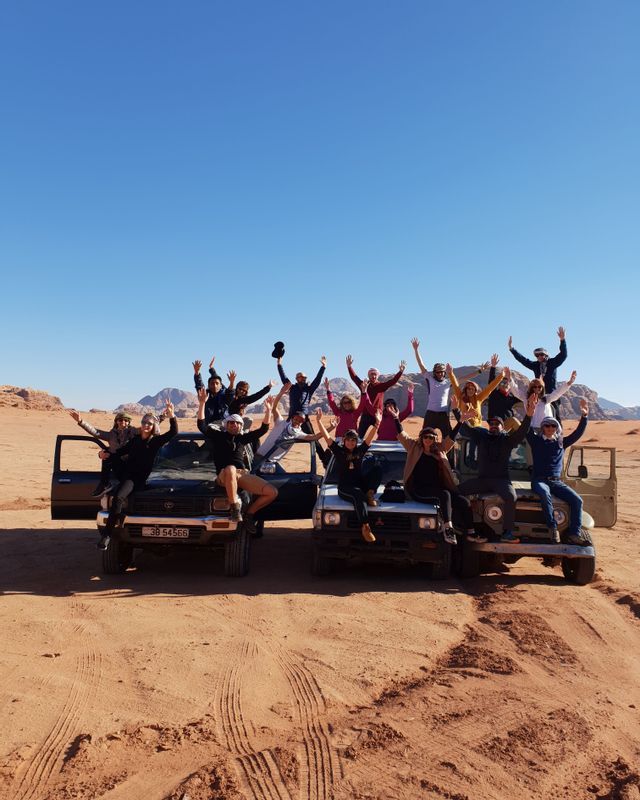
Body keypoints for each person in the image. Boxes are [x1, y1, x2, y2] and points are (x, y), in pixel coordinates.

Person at [97, 401, 178, 550]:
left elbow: (173, 433)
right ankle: (104, 484)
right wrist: (102, 454)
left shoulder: (155, 442)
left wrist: (172, 415)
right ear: (141, 424)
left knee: (118, 497)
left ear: (153, 426)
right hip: (126, 472)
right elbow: (119, 453)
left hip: (136, 478)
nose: (146, 425)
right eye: (144, 422)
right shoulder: (134, 440)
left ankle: (107, 535)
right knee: (109, 457)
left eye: (149, 423)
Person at [388, 405, 475, 544]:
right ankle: (448, 529)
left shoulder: (440, 449)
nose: (428, 439)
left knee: (464, 502)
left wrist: (461, 421)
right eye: (426, 437)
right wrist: (396, 418)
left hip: (437, 488)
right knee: (445, 495)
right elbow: (402, 435)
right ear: (421, 438)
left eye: (431, 437)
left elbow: (451, 437)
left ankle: (471, 532)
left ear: (435, 439)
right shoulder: (413, 447)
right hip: (419, 490)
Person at [457, 395, 536, 543]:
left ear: (502, 426)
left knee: (511, 497)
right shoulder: (481, 437)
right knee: (456, 492)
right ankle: (465, 528)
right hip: (483, 481)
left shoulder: (507, 440)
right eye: (491, 423)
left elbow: (521, 432)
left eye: (497, 424)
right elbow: (465, 428)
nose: (493, 425)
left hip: (501, 481)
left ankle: (507, 533)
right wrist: (456, 411)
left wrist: (529, 416)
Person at [197, 388, 277, 532]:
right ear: (226, 425)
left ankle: (249, 515)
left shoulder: (242, 439)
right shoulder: (218, 436)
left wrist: (268, 411)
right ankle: (235, 508)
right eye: (231, 423)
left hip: (242, 475)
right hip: (224, 475)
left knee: (272, 492)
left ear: (241, 426)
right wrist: (202, 403)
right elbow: (201, 425)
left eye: (237, 423)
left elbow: (263, 430)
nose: (234, 425)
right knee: (231, 469)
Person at [314, 408, 383, 543]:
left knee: (377, 468)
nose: (351, 443)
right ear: (344, 441)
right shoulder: (339, 452)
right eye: (348, 440)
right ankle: (365, 526)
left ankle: (370, 493)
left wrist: (377, 424)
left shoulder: (360, 450)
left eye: (353, 440)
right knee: (358, 495)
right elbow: (326, 437)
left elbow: (369, 438)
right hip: (345, 488)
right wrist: (318, 421)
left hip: (360, 484)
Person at [527, 398, 589, 545]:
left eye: (552, 426)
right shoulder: (536, 441)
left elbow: (577, 433)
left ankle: (574, 534)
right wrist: (529, 413)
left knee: (577, 501)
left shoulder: (561, 442)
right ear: (542, 428)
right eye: (546, 426)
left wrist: (584, 416)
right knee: (544, 493)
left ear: (556, 428)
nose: (549, 428)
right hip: (540, 480)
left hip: (556, 482)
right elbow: (526, 429)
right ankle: (553, 527)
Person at [411, 338, 487, 438]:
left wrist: (480, 371)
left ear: (444, 373)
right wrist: (416, 350)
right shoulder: (430, 378)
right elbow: (421, 365)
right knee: (424, 435)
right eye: (438, 372)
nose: (440, 374)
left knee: (449, 436)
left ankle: (448, 454)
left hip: (443, 414)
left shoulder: (448, 382)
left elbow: (464, 378)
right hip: (431, 414)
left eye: (442, 372)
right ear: (434, 372)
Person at [253, 382, 328, 467]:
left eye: (300, 420)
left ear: (302, 422)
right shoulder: (280, 422)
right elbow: (274, 408)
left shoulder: (298, 433)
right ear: (292, 418)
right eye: (296, 418)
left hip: (271, 463)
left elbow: (315, 437)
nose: (297, 421)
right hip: (260, 457)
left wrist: (331, 427)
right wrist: (281, 392)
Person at [69, 409, 138, 496]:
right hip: (119, 467)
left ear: (129, 422)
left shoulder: (134, 432)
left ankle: (105, 484)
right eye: (120, 420)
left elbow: (148, 427)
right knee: (106, 453)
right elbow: (95, 432)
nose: (123, 422)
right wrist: (81, 421)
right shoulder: (111, 435)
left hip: (130, 466)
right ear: (116, 422)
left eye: (126, 420)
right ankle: (104, 484)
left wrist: (161, 418)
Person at [508, 327, 567, 420]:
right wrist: (512, 349)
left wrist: (562, 340)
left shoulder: (552, 363)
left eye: (541, 354)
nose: (539, 356)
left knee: (555, 417)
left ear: (546, 355)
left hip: (551, 394)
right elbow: (523, 360)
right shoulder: (535, 365)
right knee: (537, 416)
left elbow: (563, 355)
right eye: (537, 355)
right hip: (539, 394)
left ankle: (557, 434)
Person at [346, 354, 405, 437]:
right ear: (368, 376)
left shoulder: (381, 386)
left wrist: (400, 372)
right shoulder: (364, 385)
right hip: (365, 415)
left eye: (375, 374)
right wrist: (349, 367)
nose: (373, 376)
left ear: (377, 376)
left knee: (381, 434)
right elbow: (354, 378)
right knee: (359, 436)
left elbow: (392, 381)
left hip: (377, 415)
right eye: (371, 374)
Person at [447, 358, 504, 428]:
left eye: (472, 389)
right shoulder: (460, 397)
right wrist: (450, 373)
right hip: (465, 428)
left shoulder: (479, 398)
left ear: (475, 391)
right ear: (465, 389)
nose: (470, 390)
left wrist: (501, 376)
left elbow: (490, 388)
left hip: (477, 427)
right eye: (468, 388)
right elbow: (455, 385)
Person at [511, 371, 577, 430]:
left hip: (546, 429)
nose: (537, 388)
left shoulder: (546, 399)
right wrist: (509, 379)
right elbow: (516, 391)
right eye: (535, 387)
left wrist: (569, 382)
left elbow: (557, 393)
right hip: (532, 429)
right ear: (531, 388)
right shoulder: (526, 398)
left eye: (540, 387)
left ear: (542, 388)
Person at [486, 356, 522, 432]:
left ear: (510, 386)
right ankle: (529, 441)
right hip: (496, 424)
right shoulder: (494, 394)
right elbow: (491, 383)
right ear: (498, 385)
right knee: (514, 421)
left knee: (522, 424)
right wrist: (493, 367)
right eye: (502, 383)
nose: (505, 385)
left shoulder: (512, 397)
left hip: (508, 427)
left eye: (507, 383)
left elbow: (523, 398)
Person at [193, 356, 229, 425]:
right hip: (209, 426)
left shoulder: (224, 394)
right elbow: (199, 385)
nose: (215, 385)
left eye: (217, 384)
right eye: (212, 384)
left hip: (224, 425)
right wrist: (197, 373)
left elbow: (217, 379)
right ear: (208, 385)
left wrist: (212, 369)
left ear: (221, 385)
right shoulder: (205, 395)